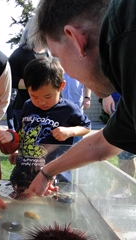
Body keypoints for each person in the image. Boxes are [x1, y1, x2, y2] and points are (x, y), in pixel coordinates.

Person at [28, 0, 136, 196]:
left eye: (58, 56)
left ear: (75, 39)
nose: (65, 71)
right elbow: (104, 145)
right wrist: (47, 172)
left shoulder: (128, 40)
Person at [8, 57, 91, 194]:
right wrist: (16, 150)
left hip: (56, 174)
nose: (41, 102)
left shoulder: (69, 109)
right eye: (34, 96)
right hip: (26, 172)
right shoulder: (28, 105)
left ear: (61, 86)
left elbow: (86, 126)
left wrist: (69, 131)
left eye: (47, 97)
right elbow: (22, 130)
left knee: (54, 208)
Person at [7, 16, 49, 131]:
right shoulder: (19, 53)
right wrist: (35, 86)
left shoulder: (50, 54)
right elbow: (10, 78)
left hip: (48, 106)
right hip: (24, 107)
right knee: (26, 143)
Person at [102, 93, 136, 178]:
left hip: (130, 98)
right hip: (117, 101)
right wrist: (106, 95)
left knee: (128, 150)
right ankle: (125, 187)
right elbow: (105, 79)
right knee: (124, 150)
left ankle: (125, 187)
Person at [62, 73, 91, 143]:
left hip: (77, 104)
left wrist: (87, 98)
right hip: (61, 103)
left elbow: (87, 83)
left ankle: (77, 151)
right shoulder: (60, 67)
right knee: (63, 128)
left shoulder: (77, 67)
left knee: (78, 130)